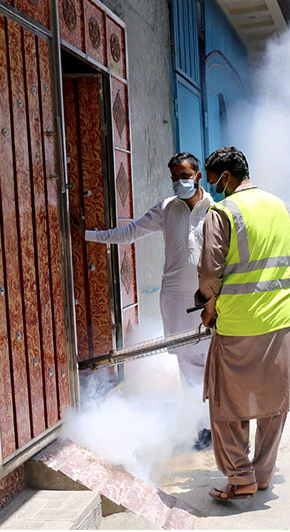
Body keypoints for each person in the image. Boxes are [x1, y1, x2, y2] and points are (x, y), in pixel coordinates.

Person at [196, 146, 290, 500]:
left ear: (226, 176)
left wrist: (209, 305)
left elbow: (209, 273)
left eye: (214, 181)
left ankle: (240, 477)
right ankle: (261, 475)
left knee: (225, 404)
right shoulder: (281, 206)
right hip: (282, 320)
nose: (213, 188)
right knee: (274, 401)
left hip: (239, 324)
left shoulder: (222, 212)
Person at [84, 152, 215, 450]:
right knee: (188, 365)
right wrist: (88, 236)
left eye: (183, 176)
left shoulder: (217, 211)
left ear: (198, 175)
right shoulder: (167, 208)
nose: (178, 183)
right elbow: (131, 232)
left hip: (209, 299)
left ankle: (220, 421)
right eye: (173, 177)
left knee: (214, 361)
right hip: (176, 301)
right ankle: (201, 427)